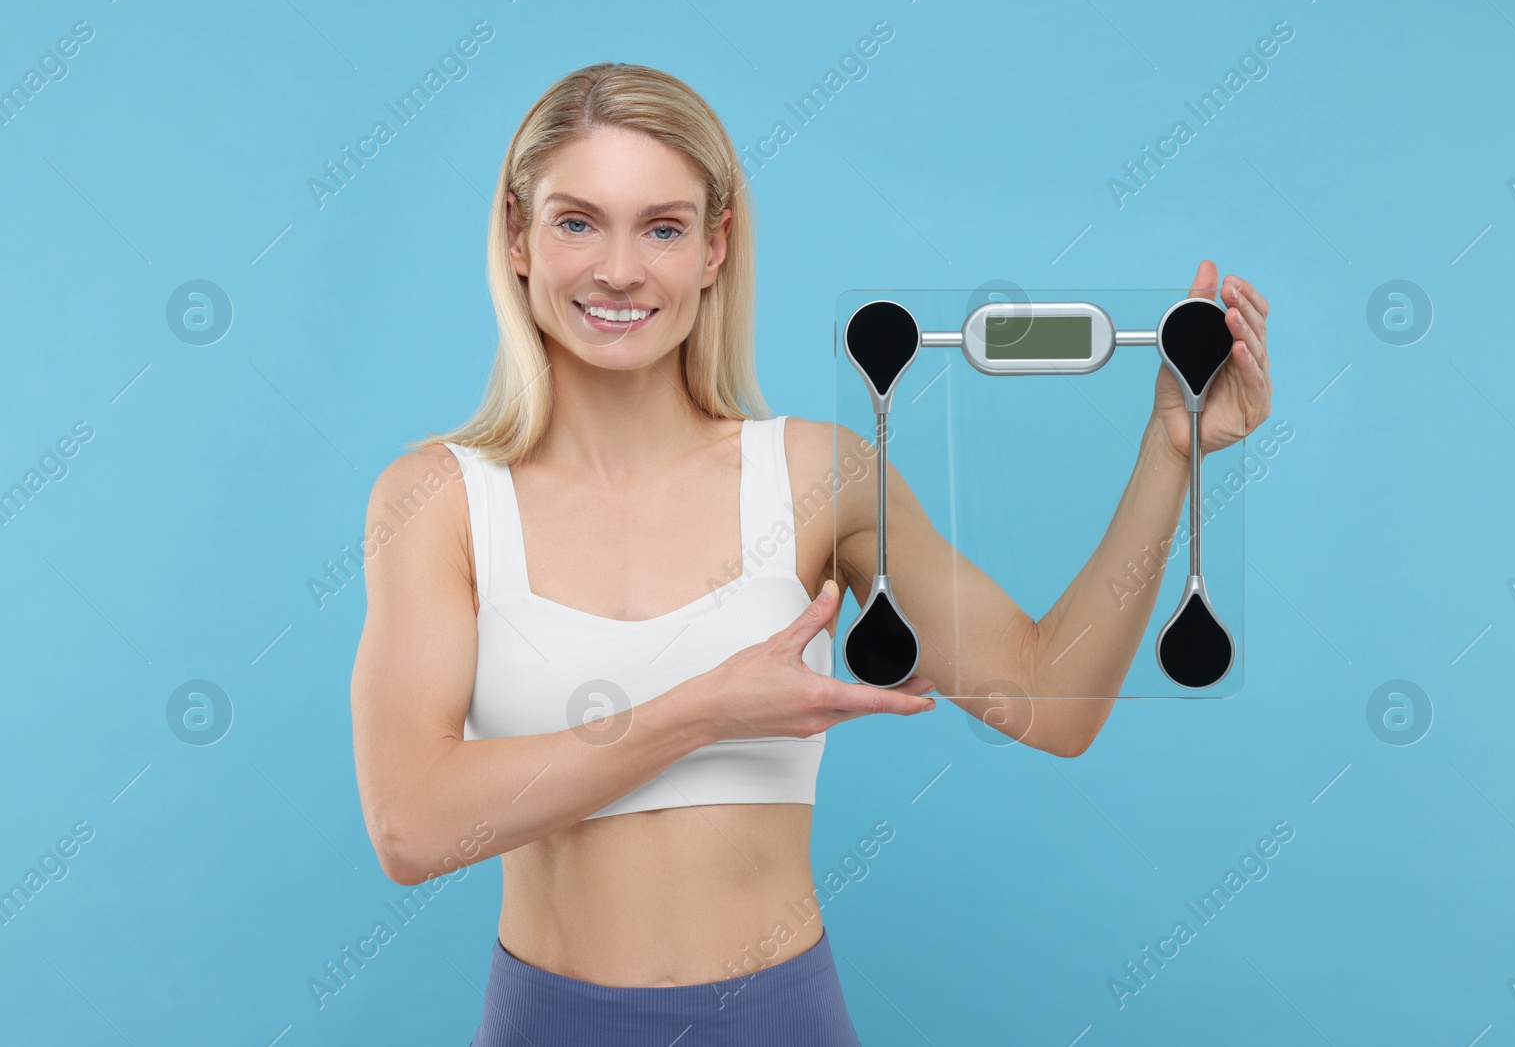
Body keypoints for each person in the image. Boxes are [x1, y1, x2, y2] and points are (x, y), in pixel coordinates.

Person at [350, 61, 1272, 1045]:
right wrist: (704, 709)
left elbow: (1050, 702)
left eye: (662, 227)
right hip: (550, 1019)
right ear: (516, 234)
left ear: (714, 246)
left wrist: (1169, 451)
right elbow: (413, 826)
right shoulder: (439, 497)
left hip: (777, 1016)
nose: (617, 269)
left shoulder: (816, 476)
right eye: (578, 221)